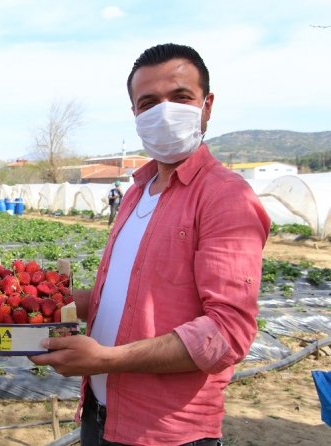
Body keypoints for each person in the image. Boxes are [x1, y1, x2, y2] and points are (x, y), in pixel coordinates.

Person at [31, 43, 270, 445]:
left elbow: (228, 332)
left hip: (165, 430)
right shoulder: (136, 193)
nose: (163, 112)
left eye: (180, 98)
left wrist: (107, 359)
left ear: (206, 106)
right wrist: (45, 300)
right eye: (148, 103)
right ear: (135, 115)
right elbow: (125, 299)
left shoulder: (225, 196)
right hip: (100, 414)